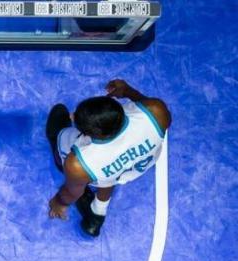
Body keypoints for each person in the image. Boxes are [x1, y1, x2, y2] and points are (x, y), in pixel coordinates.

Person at [46, 79, 172, 237]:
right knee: (109, 175)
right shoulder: (156, 110)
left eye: (75, 119)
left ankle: (56, 140)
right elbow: (145, 104)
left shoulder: (79, 164)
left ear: (89, 134)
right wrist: (127, 91)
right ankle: (98, 213)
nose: (71, 116)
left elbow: (72, 192)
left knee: (64, 148)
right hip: (135, 166)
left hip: (103, 171)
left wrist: (59, 203)